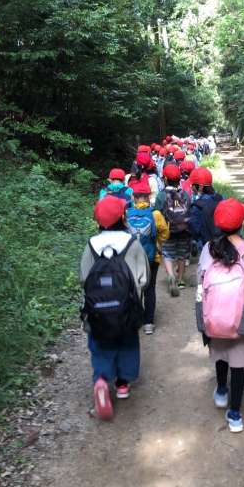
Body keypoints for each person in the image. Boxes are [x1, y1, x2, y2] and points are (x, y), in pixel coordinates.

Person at [198, 198, 244, 433]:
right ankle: (235, 416)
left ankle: (221, 391)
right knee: (238, 366)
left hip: (216, 316)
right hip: (241, 318)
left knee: (221, 354)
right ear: (243, 223)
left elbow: (201, 278)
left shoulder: (209, 248)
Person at [80, 196, 149, 420]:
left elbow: (84, 278)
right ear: (123, 217)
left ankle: (101, 380)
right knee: (127, 342)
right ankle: (122, 384)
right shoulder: (132, 243)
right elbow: (144, 278)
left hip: (98, 311)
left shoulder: (91, 244)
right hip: (127, 308)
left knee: (100, 344)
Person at [129, 178, 169, 334]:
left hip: (132, 258)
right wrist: (158, 242)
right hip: (152, 257)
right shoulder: (155, 214)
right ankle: (148, 323)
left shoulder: (127, 213)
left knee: (134, 287)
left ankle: (136, 318)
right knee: (150, 289)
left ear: (134, 197)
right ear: (148, 196)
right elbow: (165, 233)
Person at [155, 164, 191, 295]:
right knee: (182, 255)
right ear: (179, 179)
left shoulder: (161, 196)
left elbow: (158, 213)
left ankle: (171, 276)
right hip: (184, 231)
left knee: (167, 254)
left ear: (165, 179)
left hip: (168, 230)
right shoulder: (185, 194)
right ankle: (180, 280)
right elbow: (189, 211)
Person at [189, 167, 223, 247]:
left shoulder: (196, 207)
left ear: (200, 187)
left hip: (206, 245)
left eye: (192, 185)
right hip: (222, 243)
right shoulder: (221, 198)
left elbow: (195, 230)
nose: (191, 187)